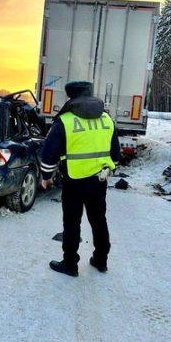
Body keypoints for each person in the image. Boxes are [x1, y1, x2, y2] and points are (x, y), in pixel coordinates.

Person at [40, 81, 120, 276]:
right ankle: (101, 260)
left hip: (74, 180)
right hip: (99, 180)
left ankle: (70, 264)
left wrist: (46, 176)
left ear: (71, 98)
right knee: (99, 220)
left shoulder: (65, 121)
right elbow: (115, 153)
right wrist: (110, 170)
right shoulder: (106, 119)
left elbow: (49, 153)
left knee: (72, 222)